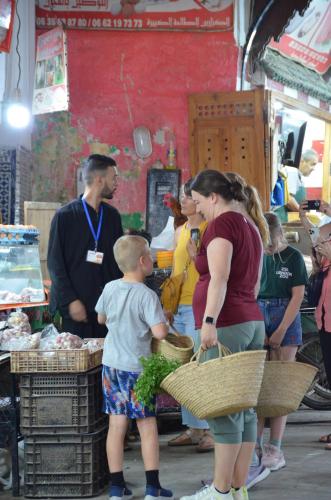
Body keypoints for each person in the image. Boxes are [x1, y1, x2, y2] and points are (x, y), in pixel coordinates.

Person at [180, 170, 265, 500]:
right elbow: (254, 283)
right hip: (250, 320)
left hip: (227, 322)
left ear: (213, 197)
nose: (198, 208)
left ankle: (219, 491)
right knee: (243, 409)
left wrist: (210, 321)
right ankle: (237, 487)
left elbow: (219, 278)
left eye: (199, 201)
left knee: (224, 409)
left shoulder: (223, 224)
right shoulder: (250, 224)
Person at [95, 235, 173, 500]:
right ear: (143, 262)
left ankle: (116, 487)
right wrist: (164, 321)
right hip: (137, 371)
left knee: (116, 425)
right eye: (150, 254)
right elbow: (160, 333)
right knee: (146, 425)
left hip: (111, 367)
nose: (152, 258)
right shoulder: (147, 295)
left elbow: (101, 317)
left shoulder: (109, 288)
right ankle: (153, 487)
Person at [47, 154, 123, 338]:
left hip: (106, 311)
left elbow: (118, 263)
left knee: (105, 363)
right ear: (99, 179)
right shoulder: (65, 216)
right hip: (75, 310)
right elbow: (55, 265)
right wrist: (71, 301)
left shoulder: (112, 217)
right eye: (114, 178)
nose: (116, 183)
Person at [256, 212, 308, 471]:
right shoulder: (257, 255)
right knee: (258, 386)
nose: (268, 248)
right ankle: (253, 445)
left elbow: (297, 297)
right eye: (263, 243)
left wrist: (280, 331)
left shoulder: (294, 257)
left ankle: (274, 448)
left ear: (279, 235)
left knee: (280, 386)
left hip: (285, 313)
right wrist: (258, 326)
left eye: (271, 243)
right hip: (257, 312)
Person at [166, 180, 213, 453]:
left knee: (202, 366)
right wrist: (169, 304)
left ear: (200, 200)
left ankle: (208, 429)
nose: (182, 200)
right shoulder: (180, 230)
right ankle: (193, 427)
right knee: (183, 367)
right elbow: (175, 270)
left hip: (201, 305)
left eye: (187, 196)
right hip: (181, 307)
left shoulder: (210, 228)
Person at [275, 149, 319, 223]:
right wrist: (305, 214)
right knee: (315, 232)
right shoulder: (292, 171)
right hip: (281, 218)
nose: (313, 169)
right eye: (312, 164)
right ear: (302, 161)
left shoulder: (299, 177)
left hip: (287, 219)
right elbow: (288, 199)